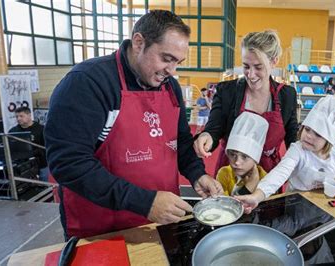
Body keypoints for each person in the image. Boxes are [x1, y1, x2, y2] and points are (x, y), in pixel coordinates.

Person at [45, 10, 223, 239]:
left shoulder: (170, 87)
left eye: (178, 62)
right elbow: (68, 163)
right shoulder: (88, 82)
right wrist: (144, 202)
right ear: (139, 43)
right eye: (166, 59)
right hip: (101, 229)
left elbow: (181, 141)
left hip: (159, 222)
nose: (172, 70)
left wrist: (198, 174)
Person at [193, 30, 298, 174]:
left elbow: (292, 138)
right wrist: (206, 137)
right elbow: (214, 129)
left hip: (267, 175)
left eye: (258, 67)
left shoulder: (287, 95)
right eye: (246, 66)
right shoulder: (227, 91)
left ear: (274, 61)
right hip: (231, 171)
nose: (251, 74)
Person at [236, 95, 335, 213]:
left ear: (329, 140)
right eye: (307, 129)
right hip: (296, 202)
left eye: (318, 134)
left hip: (323, 203)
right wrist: (257, 196)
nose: (309, 136)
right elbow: (280, 173)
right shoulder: (298, 151)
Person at [217, 112, 269, 196]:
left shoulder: (265, 179)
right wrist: (247, 189)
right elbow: (223, 206)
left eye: (244, 157)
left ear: (255, 159)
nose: (237, 162)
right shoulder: (224, 174)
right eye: (233, 155)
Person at [9, 107, 48, 181]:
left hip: (42, 165)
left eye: (21, 116)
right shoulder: (13, 132)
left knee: (46, 187)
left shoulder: (41, 129)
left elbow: (46, 147)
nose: (18, 119)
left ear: (29, 115)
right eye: (17, 116)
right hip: (23, 167)